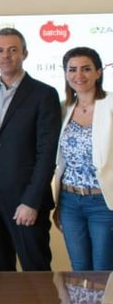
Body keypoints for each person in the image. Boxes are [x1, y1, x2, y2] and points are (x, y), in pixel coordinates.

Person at [0, 27, 61, 271]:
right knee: (0, 274)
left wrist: (31, 201)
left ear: (25, 53)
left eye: (13, 50)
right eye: (0, 50)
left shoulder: (44, 94)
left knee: (36, 273)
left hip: (27, 202)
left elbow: (47, 153)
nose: (6, 56)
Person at [52, 46, 113, 271]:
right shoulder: (63, 108)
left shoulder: (110, 104)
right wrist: (59, 204)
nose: (79, 75)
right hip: (70, 202)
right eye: (72, 69)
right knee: (79, 269)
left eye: (86, 69)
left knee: (103, 269)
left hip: (104, 202)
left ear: (98, 72)